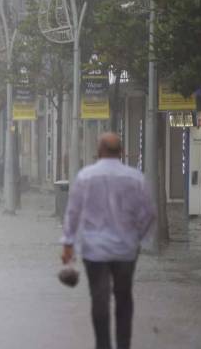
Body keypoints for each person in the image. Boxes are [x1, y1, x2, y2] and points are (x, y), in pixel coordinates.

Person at [61, 132, 156, 349]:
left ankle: (102, 345)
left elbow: (73, 213)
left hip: (94, 250)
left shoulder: (86, 176)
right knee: (124, 297)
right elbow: (149, 213)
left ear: (99, 151)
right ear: (121, 152)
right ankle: (124, 345)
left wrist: (68, 244)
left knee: (99, 298)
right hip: (126, 250)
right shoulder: (135, 177)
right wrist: (137, 237)